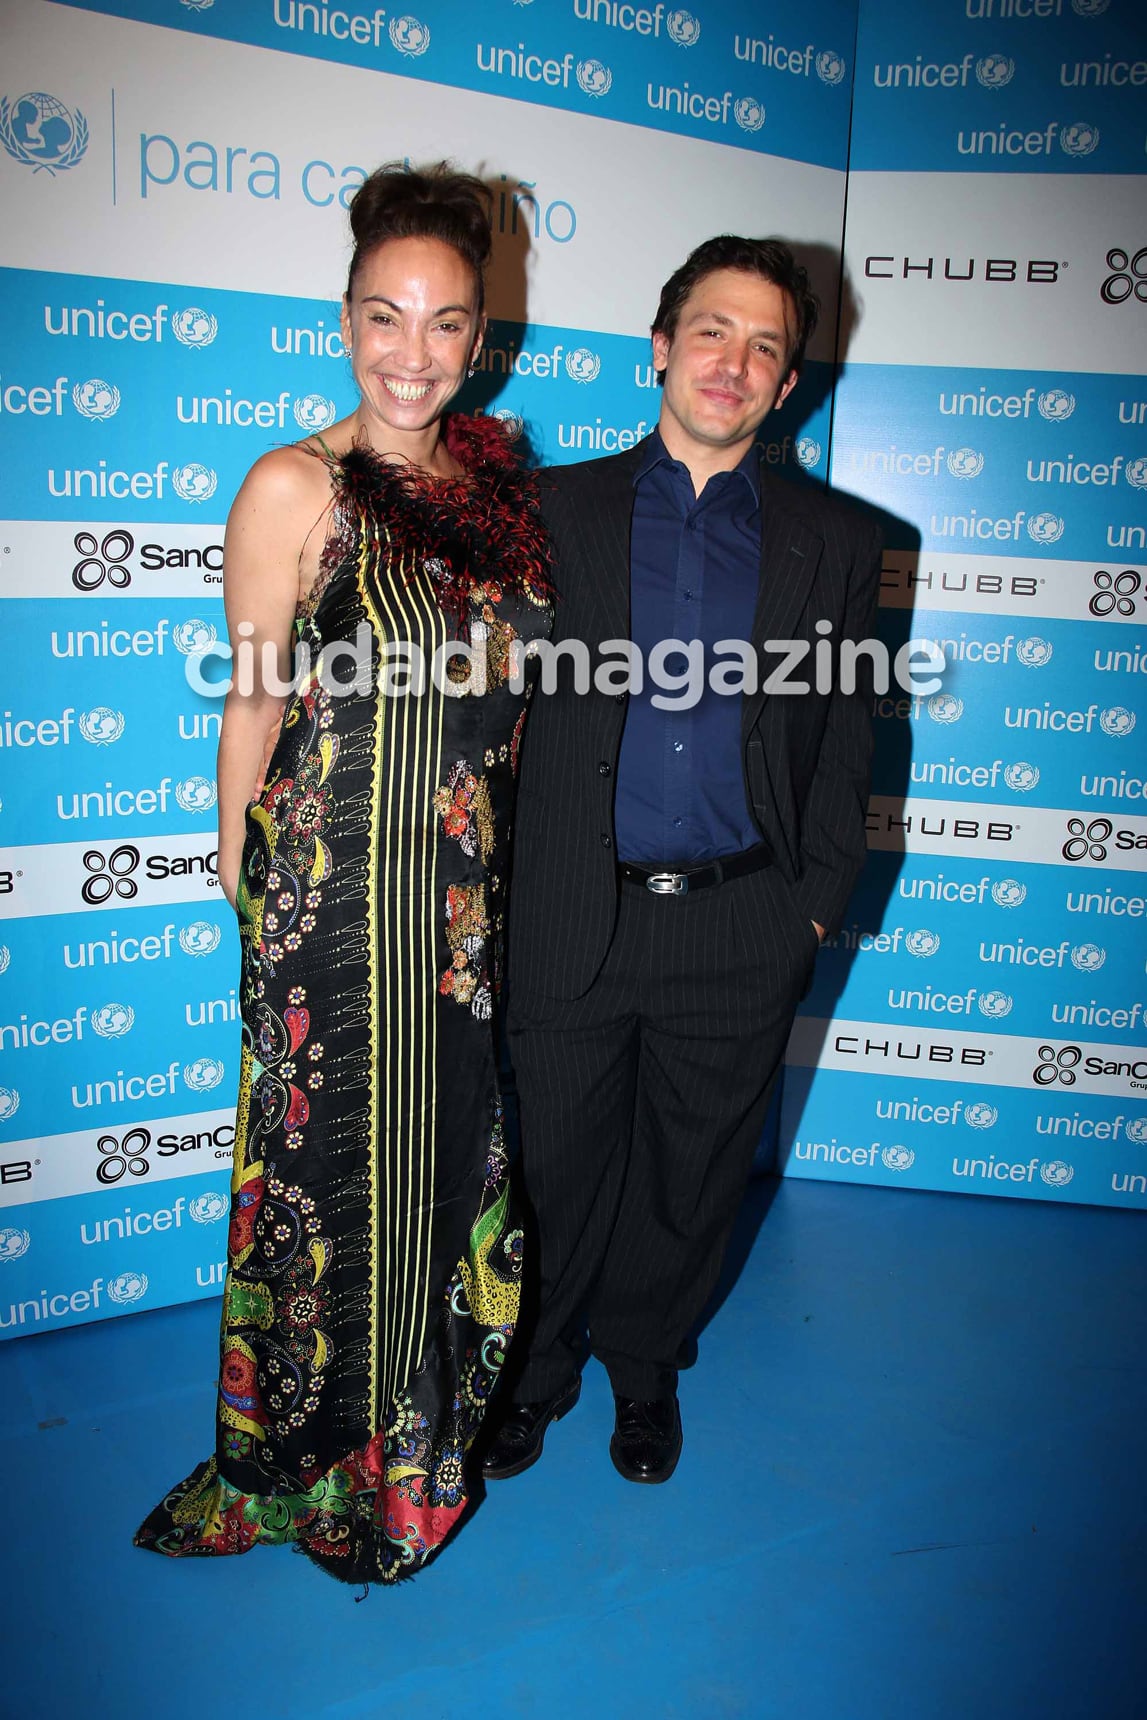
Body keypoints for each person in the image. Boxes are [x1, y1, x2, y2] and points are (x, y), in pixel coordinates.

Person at [135, 163, 552, 1583]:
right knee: (330, 1186)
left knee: (437, 1171)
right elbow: (253, 704)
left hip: (452, 909)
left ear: (481, 337)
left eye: (444, 325)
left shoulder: (489, 490)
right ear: (342, 316)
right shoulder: (293, 485)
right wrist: (244, 891)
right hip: (330, 903)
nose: (411, 354)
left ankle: (411, 1457)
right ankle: (313, 1466)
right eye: (385, 317)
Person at [484, 236, 881, 1486]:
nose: (737, 361)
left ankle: (645, 1369)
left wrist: (812, 908)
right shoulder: (550, 514)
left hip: (740, 918)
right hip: (568, 913)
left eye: (767, 345)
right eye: (713, 330)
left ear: (786, 384)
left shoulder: (836, 539)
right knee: (553, 1170)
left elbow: (849, 731)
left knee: (692, 1170)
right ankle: (536, 1372)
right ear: (659, 347)